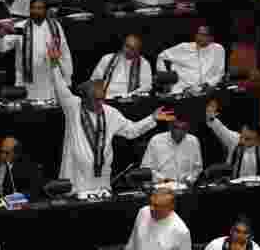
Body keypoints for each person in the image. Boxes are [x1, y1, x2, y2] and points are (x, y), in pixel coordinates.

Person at [50, 50, 173, 193]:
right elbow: (59, 86)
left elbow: (131, 131)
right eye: (95, 99)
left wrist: (152, 118)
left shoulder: (110, 112)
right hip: (77, 179)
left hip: (101, 182)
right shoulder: (73, 106)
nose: (100, 103)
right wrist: (54, 63)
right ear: (84, 98)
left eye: (102, 99)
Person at [0, 0, 72, 101]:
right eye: (33, 8)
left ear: (45, 10)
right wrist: (1, 33)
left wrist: (67, 80)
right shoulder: (20, 26)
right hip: (28, 82)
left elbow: (65, 52)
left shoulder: (55, 26)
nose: (36, 11)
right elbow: (1, 47)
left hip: (50, 80)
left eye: (39, 8)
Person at [205, 98, 260, 178]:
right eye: (242, 136)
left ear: (258, 138)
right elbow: (218, 127)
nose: (242, 141)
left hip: (258, 187)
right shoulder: (235, 139)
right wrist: (211, 116)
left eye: (247, 139)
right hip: (234, 186)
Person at [156, 25, 226, 93]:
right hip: (182, 90)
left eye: (204, 35)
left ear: (211, 38)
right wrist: (165, 78)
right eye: (198, 34)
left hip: (206, 90)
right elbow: (161, 56)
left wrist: (208, 84)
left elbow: (220, 73)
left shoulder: (218, 49)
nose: (200, 37)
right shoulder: (184, 47)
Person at [141, 115, 203, 185]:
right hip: (161, 186)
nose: (179, 132)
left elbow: (198, 168)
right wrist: (164, 180)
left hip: (185, 187)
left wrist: (190, 179)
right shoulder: (156, 140)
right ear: (170, 127)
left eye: (183, 128)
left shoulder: (193, 141)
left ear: (187, 129)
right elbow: (146, 168)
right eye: (176, 127)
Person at [0, 137, 42, 201]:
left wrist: (10, 199)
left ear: (16, 153)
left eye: (7, 153)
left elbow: (33, 192)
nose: (3, 156)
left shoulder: (29, 168)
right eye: (1, 151)